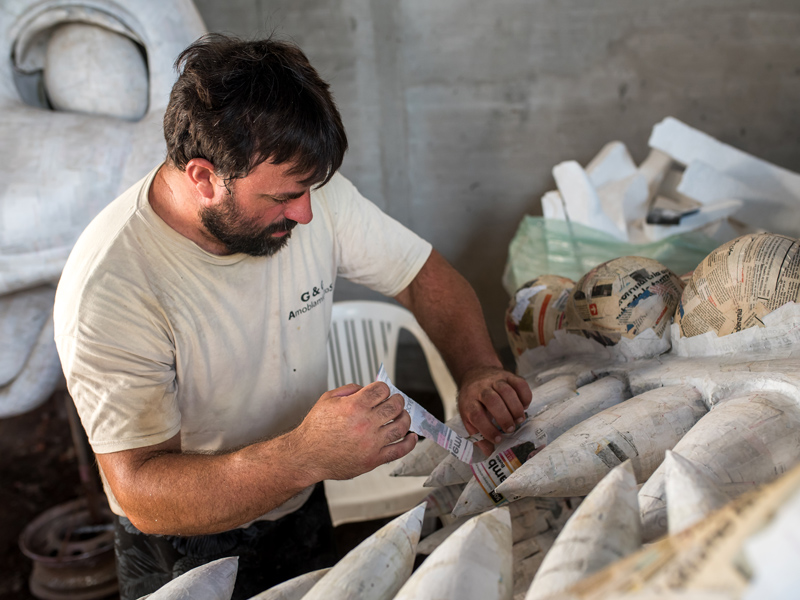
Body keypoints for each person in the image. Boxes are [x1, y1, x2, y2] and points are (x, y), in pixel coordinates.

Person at [53, 33, 531, 599]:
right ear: (204, 177)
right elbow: (141, 489)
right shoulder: (112, 288)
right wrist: (305, 454)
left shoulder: (309, 196)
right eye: (283, 198)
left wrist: (476, 367)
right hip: (180, 538)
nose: (304, 213)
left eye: (310, 189)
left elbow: (423, 276)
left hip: (300, 496)